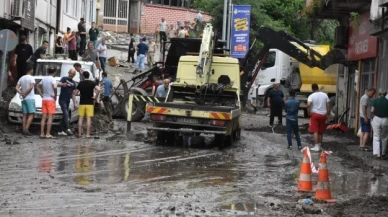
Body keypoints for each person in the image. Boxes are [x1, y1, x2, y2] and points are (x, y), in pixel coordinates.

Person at [73, 71, 100, 138]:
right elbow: (98, 89)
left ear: (83, 76)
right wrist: (95, 97)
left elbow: (75, 93)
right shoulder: (92, 83)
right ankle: (88, 134)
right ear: (88, 76)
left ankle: (79, 134)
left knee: (80, 118)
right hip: (90, 103)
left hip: (82, 103)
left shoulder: (80, 83)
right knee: (88, 118)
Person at [307, 83, 330, 152]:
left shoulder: (311, 96)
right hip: (323, 115)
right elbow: (328, 105)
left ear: (312, 89)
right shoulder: (324, 95)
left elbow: (308, 105)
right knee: (321, 131)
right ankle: (319, 145)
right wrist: (328, 114)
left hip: (315, 115)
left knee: (315, 131)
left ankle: (316, 146)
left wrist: (309, 112)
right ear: (318, 88)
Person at [36, 67, 57, 139]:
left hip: (44, 99)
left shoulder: (44, 79)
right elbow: (55, 87)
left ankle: (42, 133)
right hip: (51, 99)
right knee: (50, 117)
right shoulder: (53, 79)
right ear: (54, 72)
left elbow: (38, 86)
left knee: (44, 117)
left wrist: (41, 95)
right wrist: (55, 95)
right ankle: (48, 133)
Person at [15, 66, 35, 136]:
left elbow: (16, 87)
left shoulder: (21, 78)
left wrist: (21, 93)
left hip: (23, 99)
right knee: (31, 114)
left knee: (24, 114)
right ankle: (26, 129)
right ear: (31, 70)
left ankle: (23, 129)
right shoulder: (31, 78)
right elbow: (31, 87)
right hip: (30, 98)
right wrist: (25, 94)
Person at [57, 69, 77, 136]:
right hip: (62, 99)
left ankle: (60, 130)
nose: (72, 75)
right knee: (66, 113)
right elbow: (58, 84)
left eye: (73, 74)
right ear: (68, 73)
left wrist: (74, 103)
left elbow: (73, 94)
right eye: (71, 73)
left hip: (68, 100)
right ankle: (68, 128)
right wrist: (63, 84)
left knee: (65, 114)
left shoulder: (74, 83)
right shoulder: (64, 78)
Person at [371, 89, 388, 158]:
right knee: (384, 137)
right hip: (386, 119)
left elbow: (372, 110)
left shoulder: (375, 101)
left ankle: (377, 153)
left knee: (376, 136)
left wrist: (373, 117)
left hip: (377, 118)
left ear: (379, 94)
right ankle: (383, 153)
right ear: (385, 94)